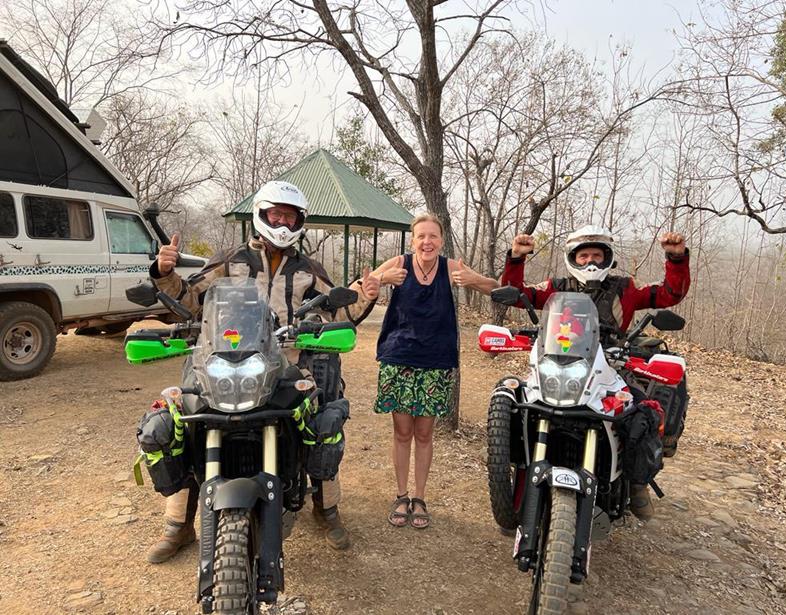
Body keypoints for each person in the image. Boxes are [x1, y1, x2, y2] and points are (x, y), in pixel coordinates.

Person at [144, 180, 381, 563]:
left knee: (319, 422)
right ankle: (178, 524)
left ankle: (325, 508)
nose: (283, 222)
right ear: (262, 214)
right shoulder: (230, 259)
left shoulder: (309, 269)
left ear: (300, 220)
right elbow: (187, 300)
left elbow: (338, 314)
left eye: (290, 216)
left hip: (287, 361)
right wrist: (164, 272)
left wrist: (364, 297)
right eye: (277, 214)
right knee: (187, 423)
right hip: (225, 357)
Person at [502, 225, 690, 520]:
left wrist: (676, 259)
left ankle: (637, 483)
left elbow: (669, 294)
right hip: (559, 366)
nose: (590, 261)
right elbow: (519, 295)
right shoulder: (557, 287)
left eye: (597, 255)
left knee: (644, 413)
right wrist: (515, 259)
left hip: (613, 367)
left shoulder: (625, 288)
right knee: (520, 405)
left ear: (608, 259)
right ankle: (516, 479)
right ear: (572, 259)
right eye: (583, 256)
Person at [366, 213, 499, 529]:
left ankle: (420, 498)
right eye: (421, 236)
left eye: (433, 236)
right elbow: (364, 286)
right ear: (413, 241)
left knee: (424, 434)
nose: (427, 242)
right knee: (401, 432)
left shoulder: (452, 268)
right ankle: (401, 495)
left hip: (436, 361)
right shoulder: (399, 263)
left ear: (441, 240)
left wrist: (472, 281)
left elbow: (494, 288)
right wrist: (381, 281)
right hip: (398, 357)